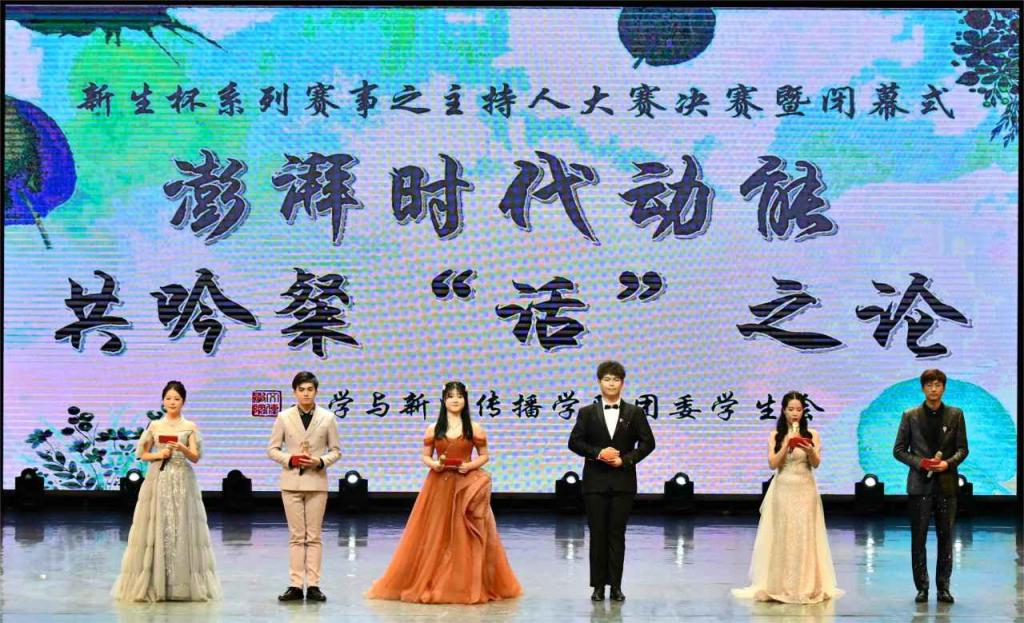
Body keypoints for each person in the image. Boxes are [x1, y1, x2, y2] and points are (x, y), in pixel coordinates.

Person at [366, 381, 522, 604]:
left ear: (465, 399)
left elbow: (484, 455)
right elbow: (425, 455)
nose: (455, 400)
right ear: (444, 400)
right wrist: (434, 465)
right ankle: (434, 580)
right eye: (450, 396)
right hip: (438, 485)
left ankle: (463, 583)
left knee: (464, 533)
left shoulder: (475, 428)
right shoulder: (433, 428)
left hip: (466, 484)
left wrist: (469, 466)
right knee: (435, 532)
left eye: (459, 396)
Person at [112, 381, 221, 602]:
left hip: (182, 480)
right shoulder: (154, 426)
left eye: (177, 399)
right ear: (163, 400)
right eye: (169, 398)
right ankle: (156, 583)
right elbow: (142, 454)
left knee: (181, 527)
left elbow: (196, 457)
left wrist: (182, 448)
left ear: (183, 402)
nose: (172, 402)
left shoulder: (190, 426)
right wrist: (158, 455)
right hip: (158, 479)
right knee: (158, 526)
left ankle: (181, 586)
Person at [732, 391, 842, 604]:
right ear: (783, 411)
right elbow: (773, 464)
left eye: (798, 409)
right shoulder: (775, 435)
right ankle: (781, 585)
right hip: (783, 488)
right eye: (791, 409)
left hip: (805, 488)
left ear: (803, 411)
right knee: (784, 534)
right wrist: (787, 444)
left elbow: (816, 464)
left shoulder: (813, 434)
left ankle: (806, 585)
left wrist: (810, 450)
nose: (795, 413)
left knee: (805, 534)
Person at [568, 361, 655, 602]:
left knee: (617, 535)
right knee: (597, 535)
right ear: (599, 382)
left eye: (616, 380)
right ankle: (598, 587)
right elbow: (574, 442)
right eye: (607, 379)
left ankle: (616, 586)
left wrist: (625, 460)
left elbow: (648, 443)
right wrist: (598, 453)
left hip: (622, 483)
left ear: (622, 383)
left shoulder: (634, 413)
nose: (611, 384)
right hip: (594, 483)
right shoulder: (587, 412)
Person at [893, 368, 969, 604]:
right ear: (923, 388)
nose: (933, 389)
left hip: (946, 486)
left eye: (937, 385)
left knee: (946, 539)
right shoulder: (910, 415)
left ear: (943, 388)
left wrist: (948, 463)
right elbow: (898, 450)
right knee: (919, 539)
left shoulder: (955, 414)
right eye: (929, 385)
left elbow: (963, 449)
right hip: (919, 486)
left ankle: (943, 587)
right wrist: (921, 463)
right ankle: (922, 588)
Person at [267, 371, 341, 602]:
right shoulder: (284, 417)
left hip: (317, 482)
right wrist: (290, 459)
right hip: (292, 482)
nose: (306, 394)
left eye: (310, 389)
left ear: (316, 391)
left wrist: (320, 461)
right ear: (294, 392)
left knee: (314, 536)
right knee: (297, 537)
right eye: (301, 390)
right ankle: (296, 585)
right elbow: (272, 449)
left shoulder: (327, 417)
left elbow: (336, 451)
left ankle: (314, 585)